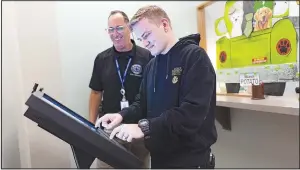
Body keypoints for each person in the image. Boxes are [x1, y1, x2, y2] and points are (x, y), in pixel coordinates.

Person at [96, 5, 217, 169]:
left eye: (147, 35)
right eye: (140, 39)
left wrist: (144, 127)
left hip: (190, 160)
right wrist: (121, 115)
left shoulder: (194, 57)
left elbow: (191, 114)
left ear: (165, 25)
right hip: (160, 159)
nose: (145, 43)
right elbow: (141, 104)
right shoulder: (152, 65)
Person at [89, 10, 151, 169]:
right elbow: (96, 92)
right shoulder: (101, 59)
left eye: (119, 28)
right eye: (111, 29)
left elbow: (153, 93)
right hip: (109, 130)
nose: (115, 33)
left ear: (129, 27)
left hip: (138, 130)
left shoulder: (147, 57)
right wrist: (90, 125)